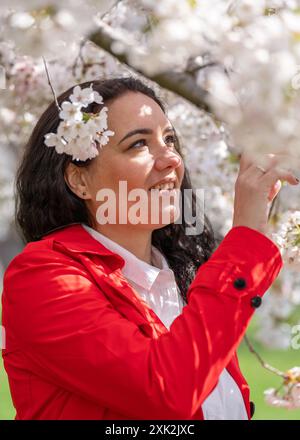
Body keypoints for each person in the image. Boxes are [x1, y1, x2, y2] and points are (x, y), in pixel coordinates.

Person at [1, 77, 298, 420]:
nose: (170, 158)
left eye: (169, 139)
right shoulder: (42, 278)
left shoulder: (183, 279)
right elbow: (167, 390)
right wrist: (245, 238)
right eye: (139, 144)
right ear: (79, 180)